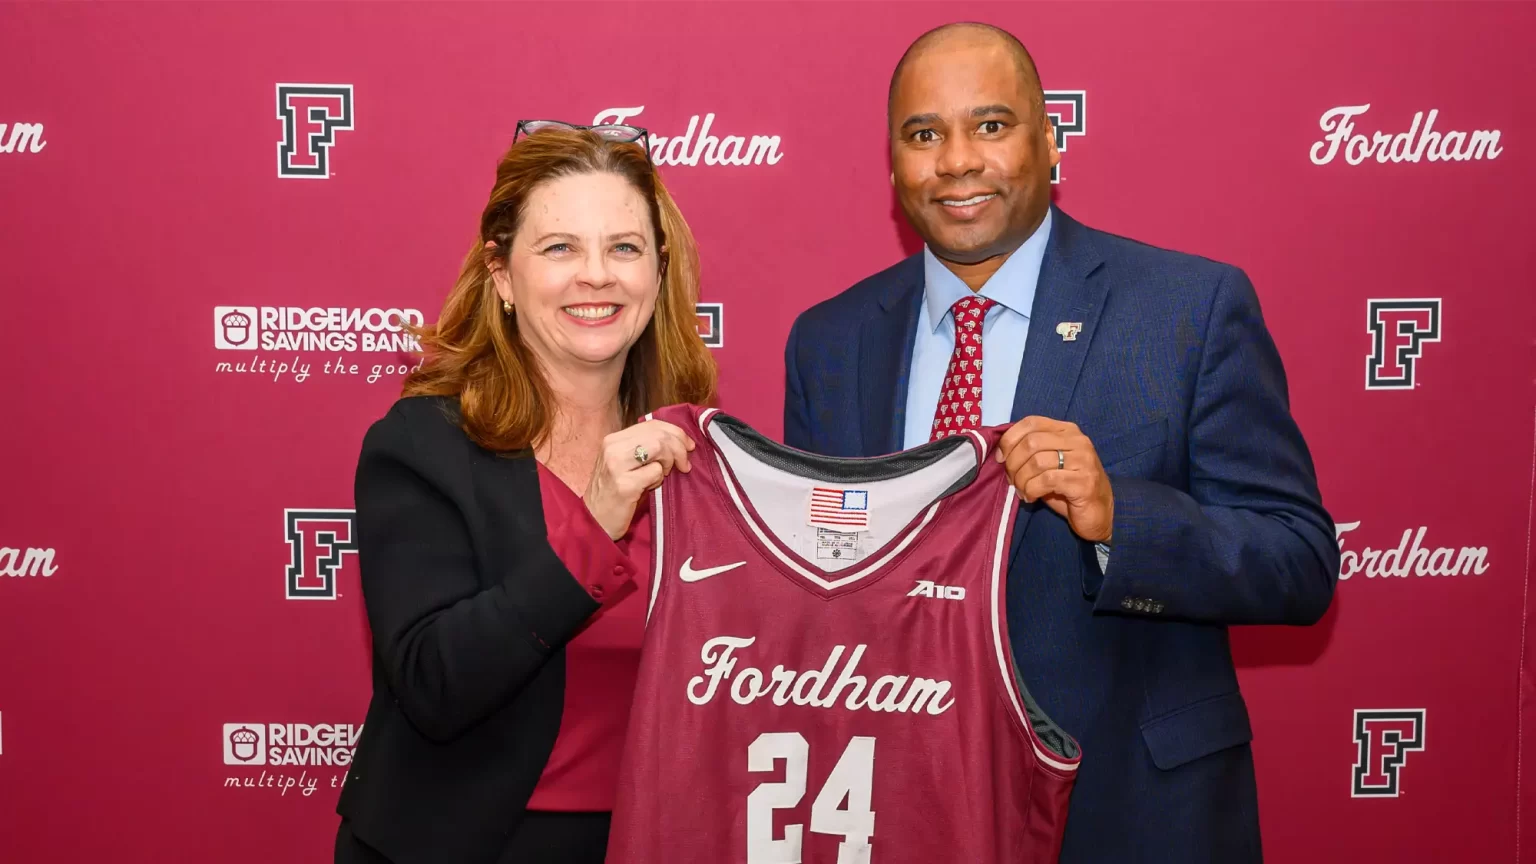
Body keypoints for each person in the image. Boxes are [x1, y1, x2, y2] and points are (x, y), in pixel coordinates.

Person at [781, 22, 1339, 863]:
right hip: (895, 809)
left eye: (992, 126)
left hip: (1130, 812)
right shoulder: (829, 341)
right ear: (893, 162)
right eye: (924, 134)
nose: (958, 160)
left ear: (1050, 142)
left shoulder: (1190, 309)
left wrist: (1122, 518)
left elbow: (1299, 563)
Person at [334, 122, 715, 864]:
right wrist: (595, 524)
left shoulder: (698, 453)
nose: (596, 275)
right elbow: (433, 684)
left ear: (659, 273)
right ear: (502, 275)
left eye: (625, 247)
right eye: (560, 248)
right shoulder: (422, 444)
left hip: (648, 838)